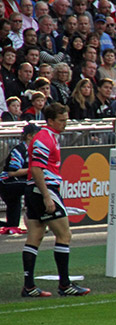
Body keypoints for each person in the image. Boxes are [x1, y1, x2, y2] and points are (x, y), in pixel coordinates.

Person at [21, 103, 91, 298]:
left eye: (66, 120)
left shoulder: (48, 137)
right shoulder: (45, 138)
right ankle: (65, 284)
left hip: (33, 189)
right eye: (61, 121)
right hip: (43, 189)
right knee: (64, 234)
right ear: (50, 121)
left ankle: (29, 286)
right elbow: (36, 168)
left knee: (35, 235)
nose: (65, 124)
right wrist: (46, 195)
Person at [0, 124, 40, 229]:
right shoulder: (19, 150)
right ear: (29, 136)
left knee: (12, 225)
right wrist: (33, 169)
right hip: (6, 183)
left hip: (17, 183)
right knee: (32, 186)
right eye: (38, 135)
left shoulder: (36, 150)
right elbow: (12, 172)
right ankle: (34, 221)